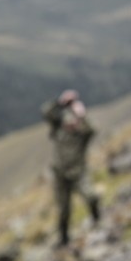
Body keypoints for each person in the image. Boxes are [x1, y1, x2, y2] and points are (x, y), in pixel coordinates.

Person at [42, 89, 99, 247]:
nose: (70, 122)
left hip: (78, 172)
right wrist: (60, 103)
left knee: (91, 196)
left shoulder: (82, 133)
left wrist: (81, 115)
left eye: (72, 119)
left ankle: (97, 221)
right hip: (59, 174)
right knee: (64, 210)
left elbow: (92, 130)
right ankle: (64, 239)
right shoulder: (57, 128)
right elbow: (46, 112)